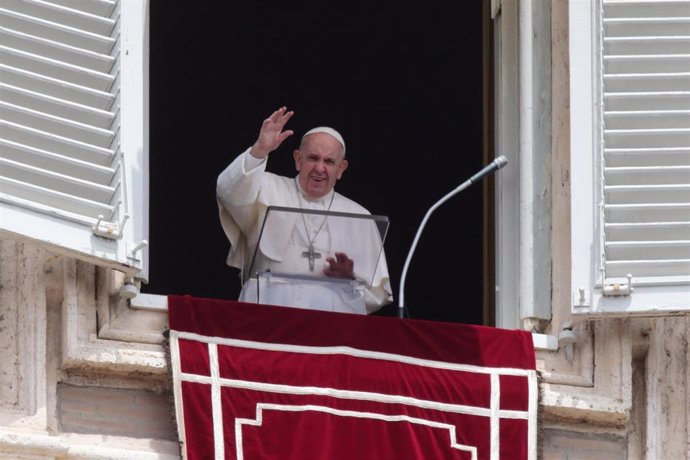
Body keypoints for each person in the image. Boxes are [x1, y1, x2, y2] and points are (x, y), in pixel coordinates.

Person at [216, 106, 393, 314]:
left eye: (329, 161)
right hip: (267, 310)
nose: (320, 168)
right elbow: (228, 191)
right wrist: (260, 150)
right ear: (298, 159)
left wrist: (351, 280)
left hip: (330, 323)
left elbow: (378, 293)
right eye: (313, 158)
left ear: (341, 169)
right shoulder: (267, 187)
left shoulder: (360, 216)